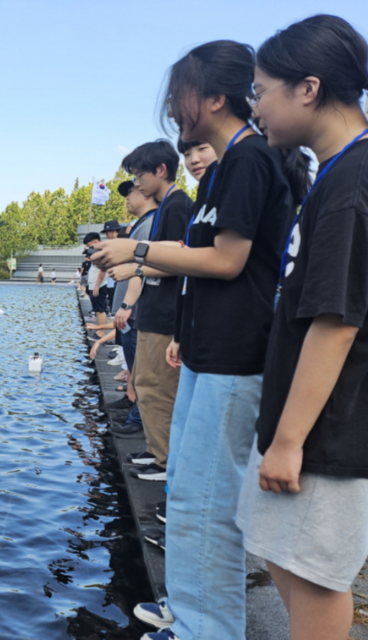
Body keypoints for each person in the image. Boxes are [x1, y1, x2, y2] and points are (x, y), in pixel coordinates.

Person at [92, 39, 310, 640]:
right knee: (188, 498)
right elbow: (206, 261)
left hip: (237, 359)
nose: (173, 103)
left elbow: (229, 259)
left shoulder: (248, 159)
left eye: (182, 92)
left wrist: (135, 250)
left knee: (211, 507)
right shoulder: (227, 166)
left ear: (215, 96)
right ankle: (190, 619)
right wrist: (186, 333)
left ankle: (207, 630)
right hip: (208, 352)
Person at [234, 16, 368, 640]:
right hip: (303, 418)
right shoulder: (332, 173)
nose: (255, 106)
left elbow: (336, 321)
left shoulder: (351, 183)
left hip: (327, 426)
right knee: (281, 555)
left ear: (307, 88)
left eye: (261, 90)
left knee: (315, 578)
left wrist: (289, 441)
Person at [116, 141, 195, 479]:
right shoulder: (167, 206)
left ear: (161, 170)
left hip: (166, 314)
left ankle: (166, 462)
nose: (137, 184)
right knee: (147, 385)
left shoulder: (178, 206)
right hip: (152, 310)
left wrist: (133, 266)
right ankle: (155, 451)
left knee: (161, 389)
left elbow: (179, 260)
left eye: (139, 176)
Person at [105, 180, 158, 435]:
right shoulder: (139, 225)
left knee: (141, 368)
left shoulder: (149, 224)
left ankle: (138, 419)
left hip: (134, 311)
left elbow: (141, 268)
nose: (127, 197)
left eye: (131, 191)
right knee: (133, 366)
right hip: (130, 312)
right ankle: (132, 408)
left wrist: (127, 305)